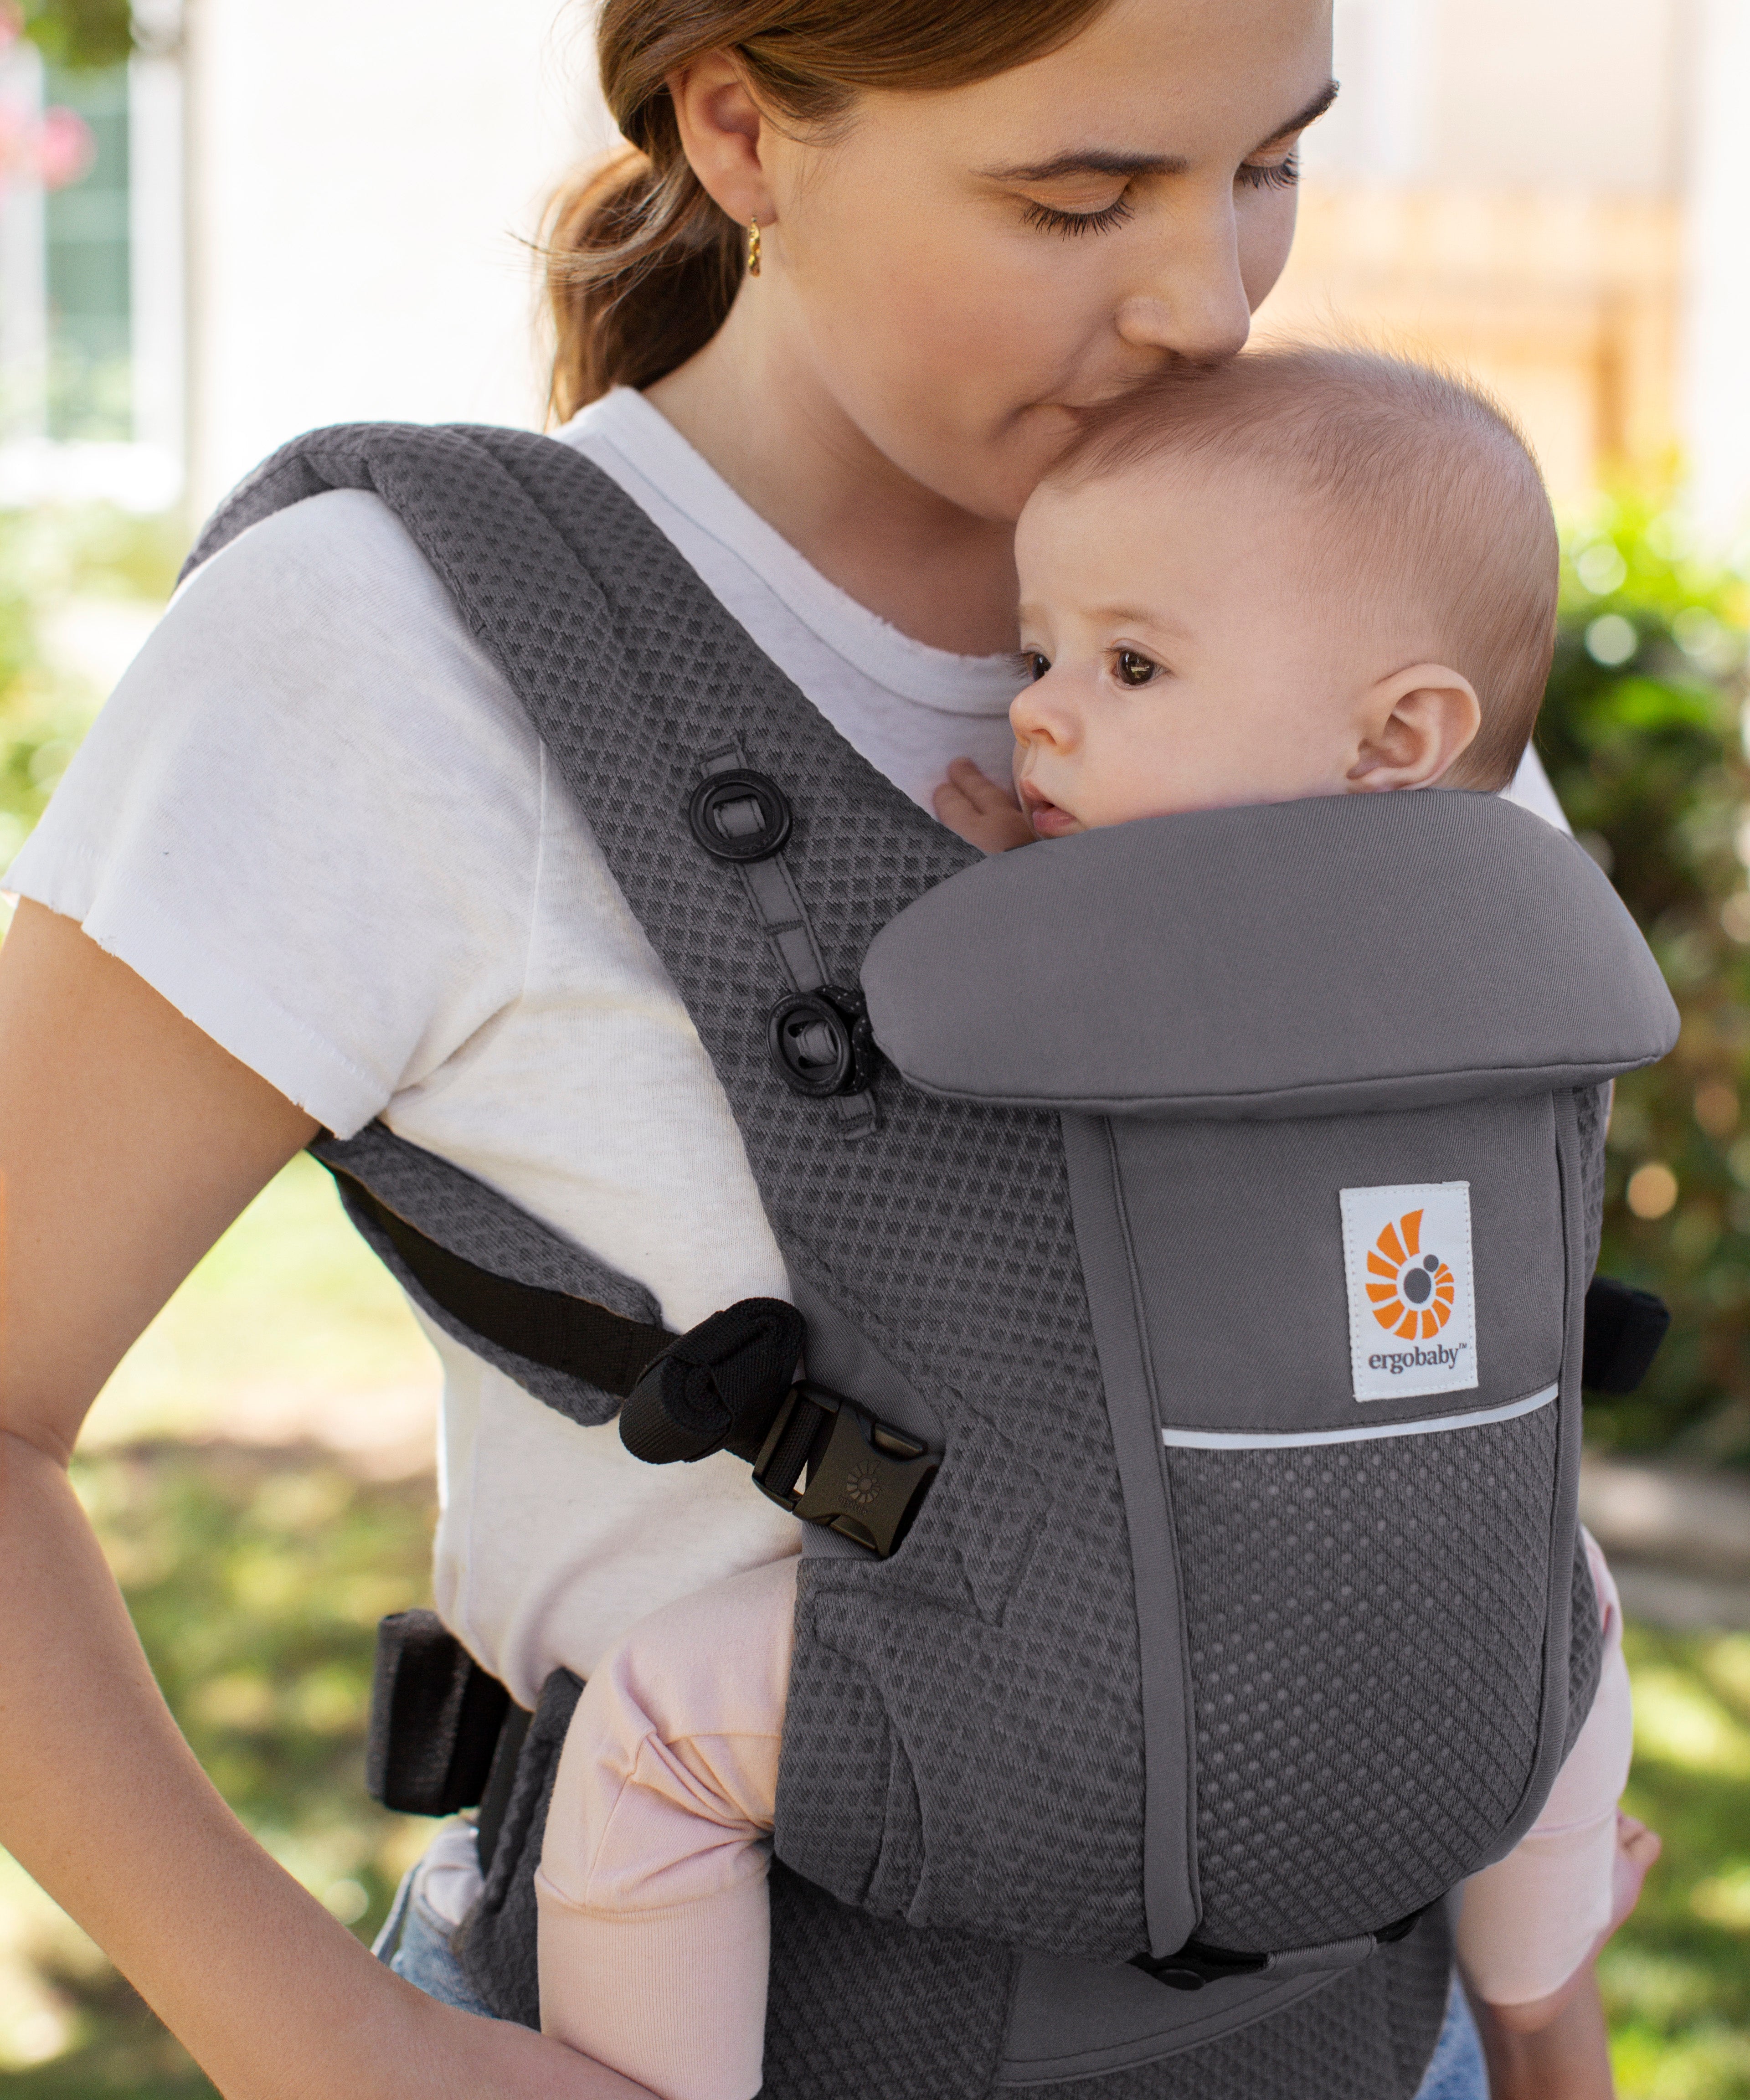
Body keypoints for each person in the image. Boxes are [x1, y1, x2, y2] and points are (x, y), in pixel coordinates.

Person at [0, 3, 1583, 2096]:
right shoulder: (392, 649)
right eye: (1079, 195)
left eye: (1271, 164)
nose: (1206, 301)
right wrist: (328, 2050)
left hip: (1385, 2037)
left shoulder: (1343, 603)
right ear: (742, 128)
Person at [528, 350, 1662, 2100]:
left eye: (1130, 666)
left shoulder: (1074, 961)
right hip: (1429, 1623)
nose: (1040, 714)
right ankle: (1542, 1970)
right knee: (1563, 1616)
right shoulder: (1530, 945)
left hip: (1059, 1652)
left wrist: (1015, 900)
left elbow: (1026, 1020)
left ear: (1398, 737)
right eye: (1038, 657)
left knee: (666, 1738)